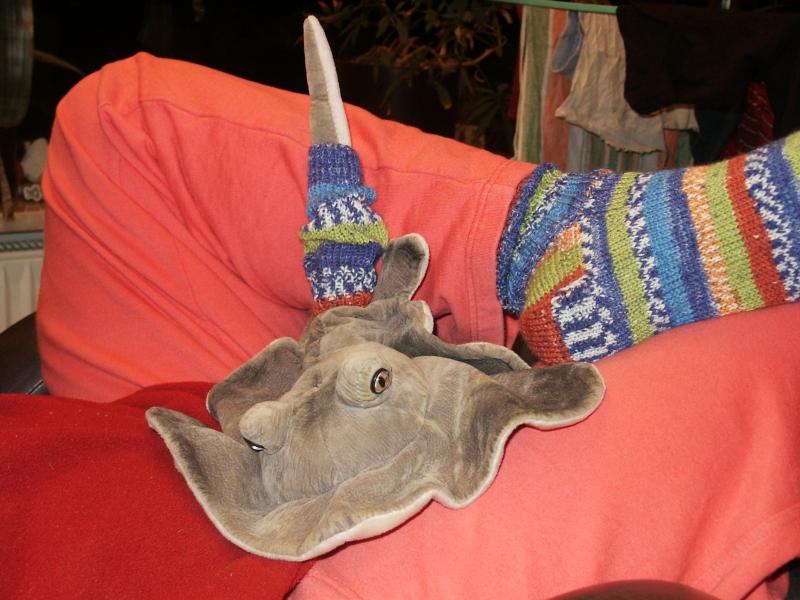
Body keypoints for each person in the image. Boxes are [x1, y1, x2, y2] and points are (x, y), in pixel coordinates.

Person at [27, 52, 800, 598]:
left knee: (112, 120)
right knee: (776, 346)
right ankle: (686, 246)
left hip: (96, 461)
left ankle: (557, 235)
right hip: (265, 559)